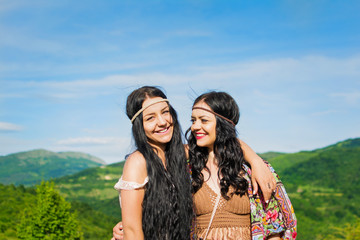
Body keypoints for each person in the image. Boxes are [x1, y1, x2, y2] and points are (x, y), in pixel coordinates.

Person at [112, 86, 278, 240]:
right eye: (150, 118)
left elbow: (224, 142)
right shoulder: (138, 162)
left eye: (165, 112)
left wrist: (255, 161)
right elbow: (133, 230)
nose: (162, 122)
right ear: (139, 126)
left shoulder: (180, 153)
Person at [187, 91, 297, 239]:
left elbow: (273, 228)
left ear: (223, 124)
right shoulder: (189, 170)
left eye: (203, 120)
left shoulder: (254, 170)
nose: (195, 126)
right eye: (193, 120)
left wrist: (255, 160)